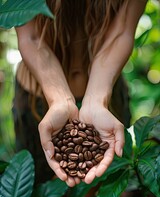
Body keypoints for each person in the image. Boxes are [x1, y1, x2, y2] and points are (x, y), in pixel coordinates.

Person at [13, 0, 147, 187]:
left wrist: (96, 100)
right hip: (35, 97)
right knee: (37, 190)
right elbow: (32, 37)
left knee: (102, 191)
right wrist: (59, 99)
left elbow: (122, 31)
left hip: (106, 92)